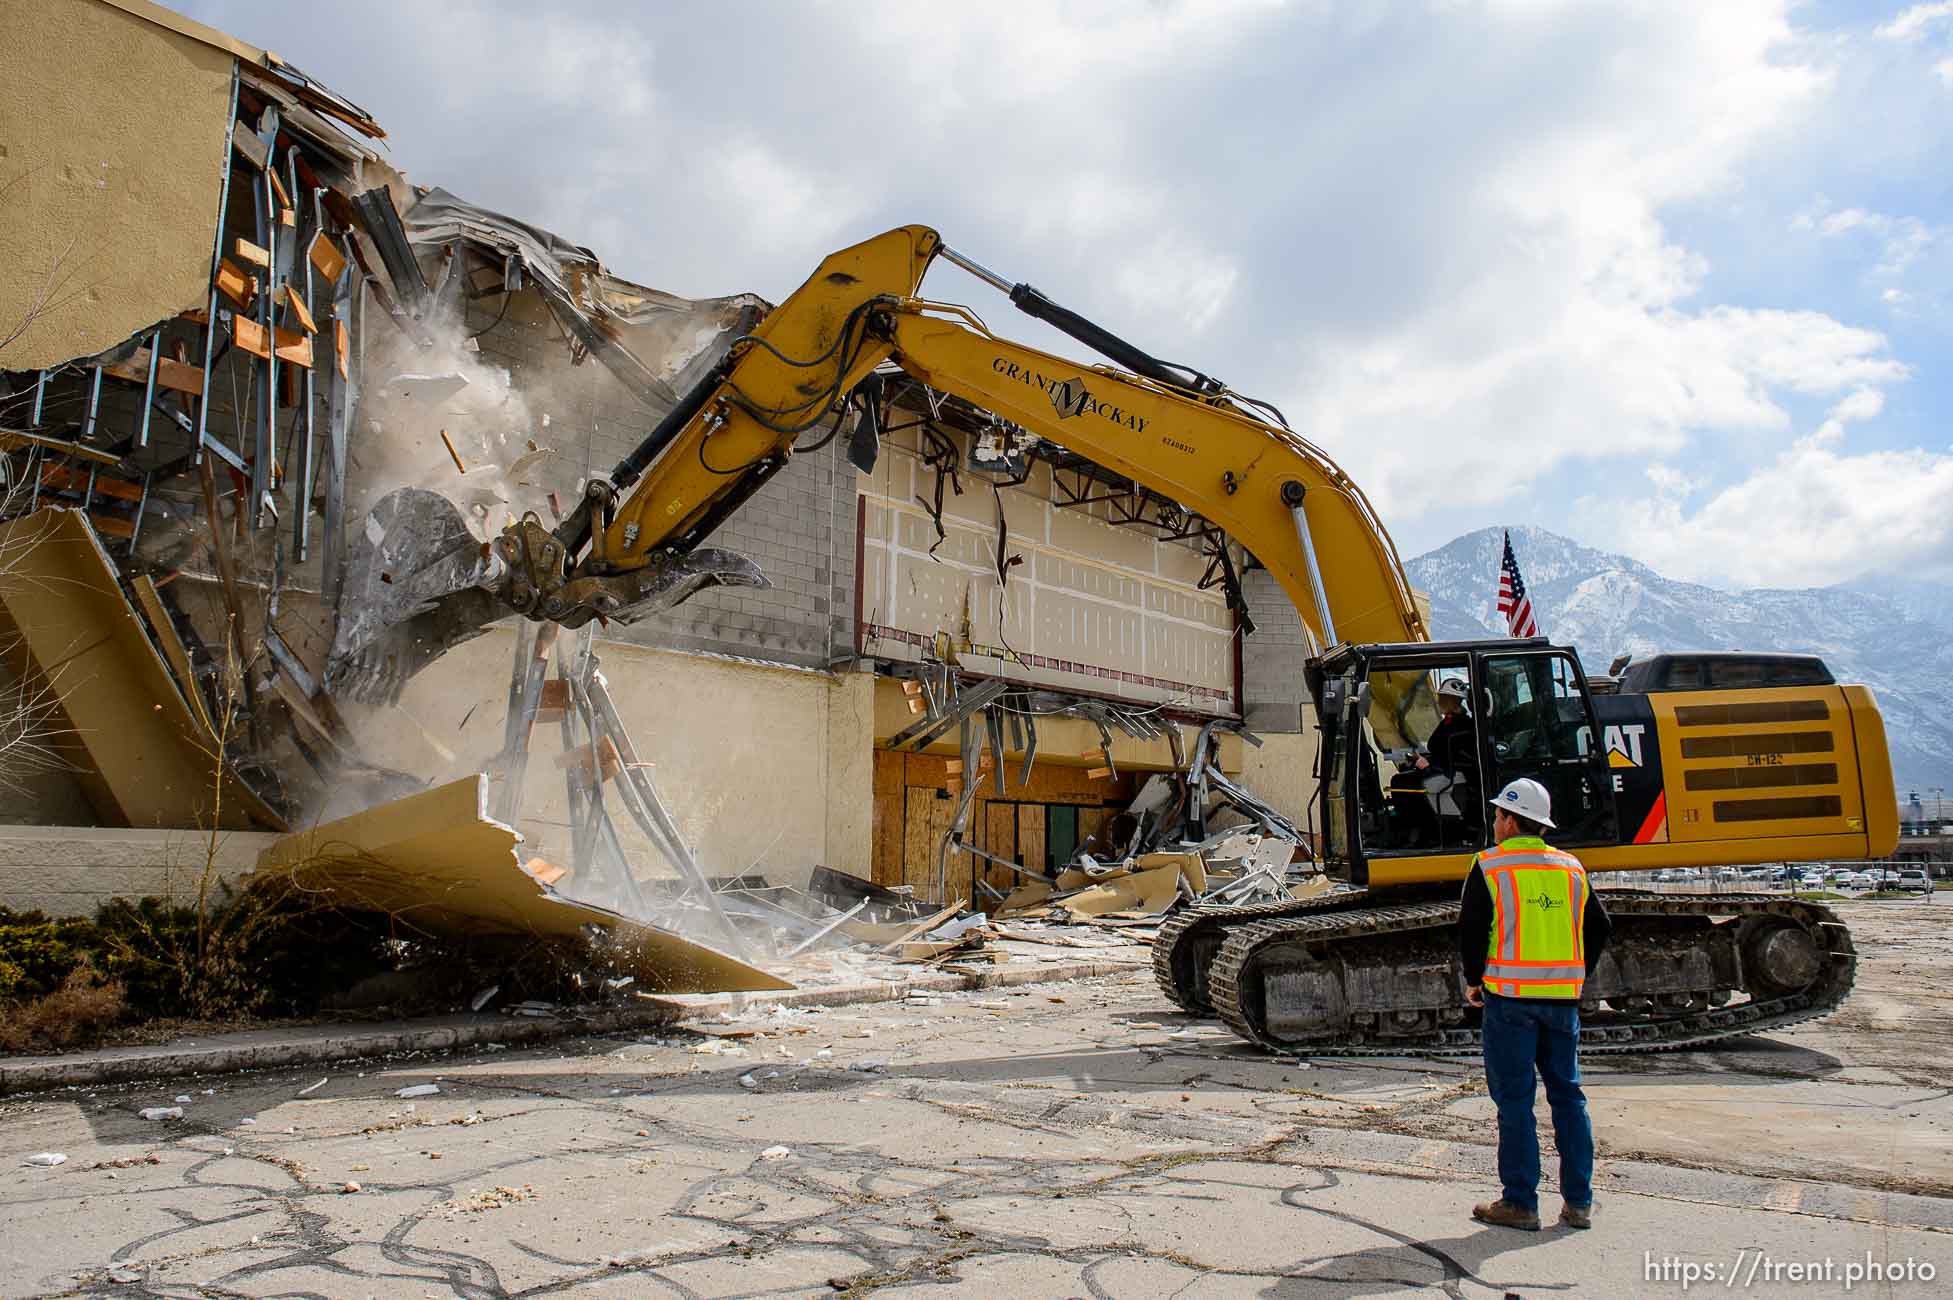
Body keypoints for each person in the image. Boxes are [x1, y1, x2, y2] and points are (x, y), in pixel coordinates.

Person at [1458, 778, 1612, 1232]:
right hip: (1562, 1002)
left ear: (1510, 819)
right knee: (1568, 1096)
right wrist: (1574, 972)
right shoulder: (1571, 868)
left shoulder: (1490, 865)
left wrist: (1474, 981)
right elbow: (1600, 926)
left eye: (1497, 815)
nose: (1494, 822)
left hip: (1509, 1001)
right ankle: (1579, 1203)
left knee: (1516, 1102)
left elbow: (1471, 930)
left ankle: (1521, 1202)